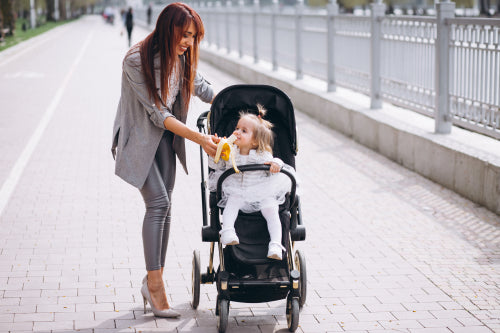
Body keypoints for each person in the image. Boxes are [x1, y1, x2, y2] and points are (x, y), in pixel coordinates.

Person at [111, 2, 217, 318]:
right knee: (157, 203)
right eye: (185, 35)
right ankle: (155, 285)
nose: (188, 43)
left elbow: (204, 88)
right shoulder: (134, 60)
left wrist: (243, 101)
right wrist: (200, 139)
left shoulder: (181, 58)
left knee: (166, 204)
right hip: (137, 139)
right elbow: (158, 114)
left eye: (193, 37)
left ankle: (153, 278)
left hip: (164, 142)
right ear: (168, 27)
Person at [208, 105, 292, 260]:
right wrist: (216, 152)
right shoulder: (230, 152)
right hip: (237, 191)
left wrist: (276, 165)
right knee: (232, 202)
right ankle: (227, 230)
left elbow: (276, 161)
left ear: (254, 141)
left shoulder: (261, 155)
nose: (237, 132)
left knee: (271, 209)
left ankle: (275, 244)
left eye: (243, 131)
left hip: (260, 193)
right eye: (237, 128)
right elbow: (216, 166)